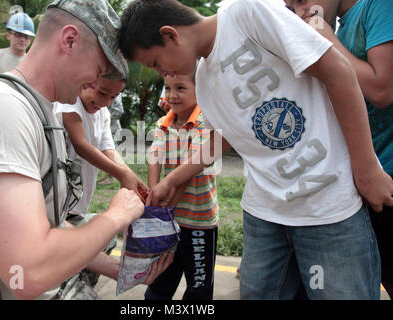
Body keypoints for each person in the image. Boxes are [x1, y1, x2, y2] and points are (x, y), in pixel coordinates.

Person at [118, 0, 393, 299]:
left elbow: (338, 71)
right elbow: (223, 136)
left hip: (328, 206)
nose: (161, 73)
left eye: (156, 63)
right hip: (265, 214)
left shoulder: (247, 13)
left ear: (171, 35)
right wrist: (174, 179)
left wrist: (367, 170)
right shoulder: (205, 81)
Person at [0, 0, 171, 300]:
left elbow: (51, 225)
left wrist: (114, 268)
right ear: (69, 40)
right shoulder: (0, 111)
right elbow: (28, 273)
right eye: (99, 68)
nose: (94, 81)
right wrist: (116, 216)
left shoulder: (39, 113)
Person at [285, 0, 393, 299]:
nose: (299, 10)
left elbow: (382, 90)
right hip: (361, 182)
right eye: (291, 6)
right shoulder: (341, 27)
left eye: (302, 0)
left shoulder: (379, 7)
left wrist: (325, 38)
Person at [145, 71, 219, 300]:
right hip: (169, 217)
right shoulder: (162, 123)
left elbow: (192, 167)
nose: (172, 95)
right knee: (160, 280)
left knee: (199, 286)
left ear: (200, 91)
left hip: (199, 222)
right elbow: (154, 158)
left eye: (181, 88)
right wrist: (153, 199)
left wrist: (163, 206)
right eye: (167, 88)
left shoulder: (204, 121)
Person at [53, 77, 148, 221]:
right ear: (86, 82)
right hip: (56, 201)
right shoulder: (70, 104)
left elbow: (108, 148)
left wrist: (131, 175)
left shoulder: (103, 112)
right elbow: (81, 146)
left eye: (113, 97)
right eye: (102, 93)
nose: (106, 102)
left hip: (78, 204)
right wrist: (122, 175)